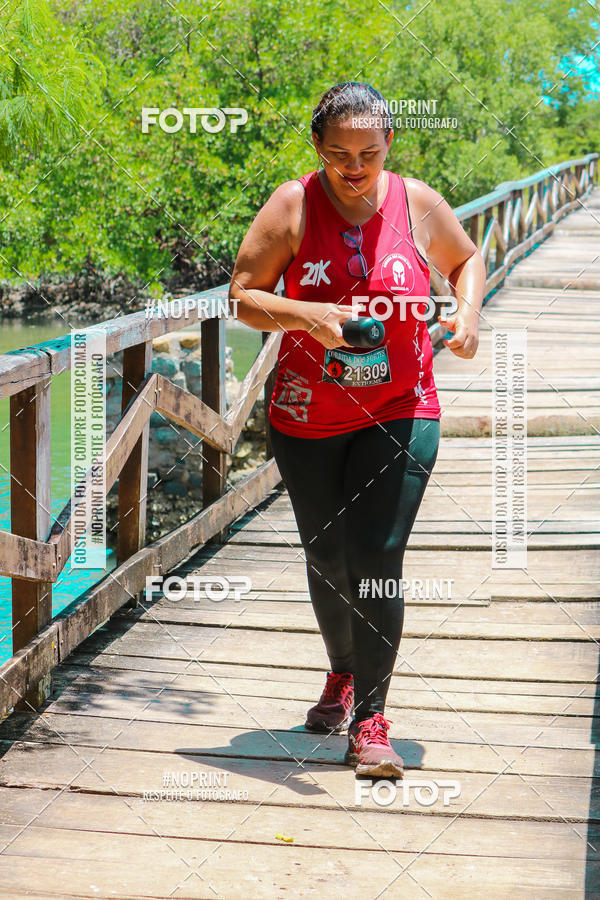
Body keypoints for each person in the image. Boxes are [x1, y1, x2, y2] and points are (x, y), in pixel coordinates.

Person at [229, 82, 485, 777]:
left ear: (389, 145)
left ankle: (372, 718)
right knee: (328, 556)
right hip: (309, 415)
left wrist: (466, 316)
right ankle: (341, 673)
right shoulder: (292, 205)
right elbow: (242, 298)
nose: (354, 167)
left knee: (376, 553)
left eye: (368, 153)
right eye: (338, 152)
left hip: (403, 405)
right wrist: (314, 317)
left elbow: (466, 262)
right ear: (318, 146)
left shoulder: (418, 203)